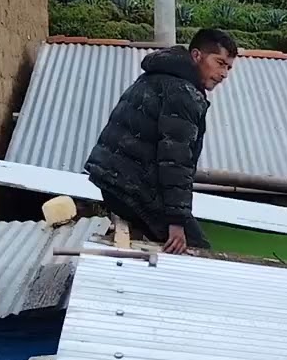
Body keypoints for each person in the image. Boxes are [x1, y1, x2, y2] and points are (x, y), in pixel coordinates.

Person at [85, 28, 238, 255]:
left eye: (228, 67)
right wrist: (176, 222)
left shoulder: (160, 76)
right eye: (219, 63)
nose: (224, 73)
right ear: (197, 56)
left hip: (114, 179)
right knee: (197, 250)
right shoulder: (182, 92)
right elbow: (175, 161)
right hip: (129, 186)